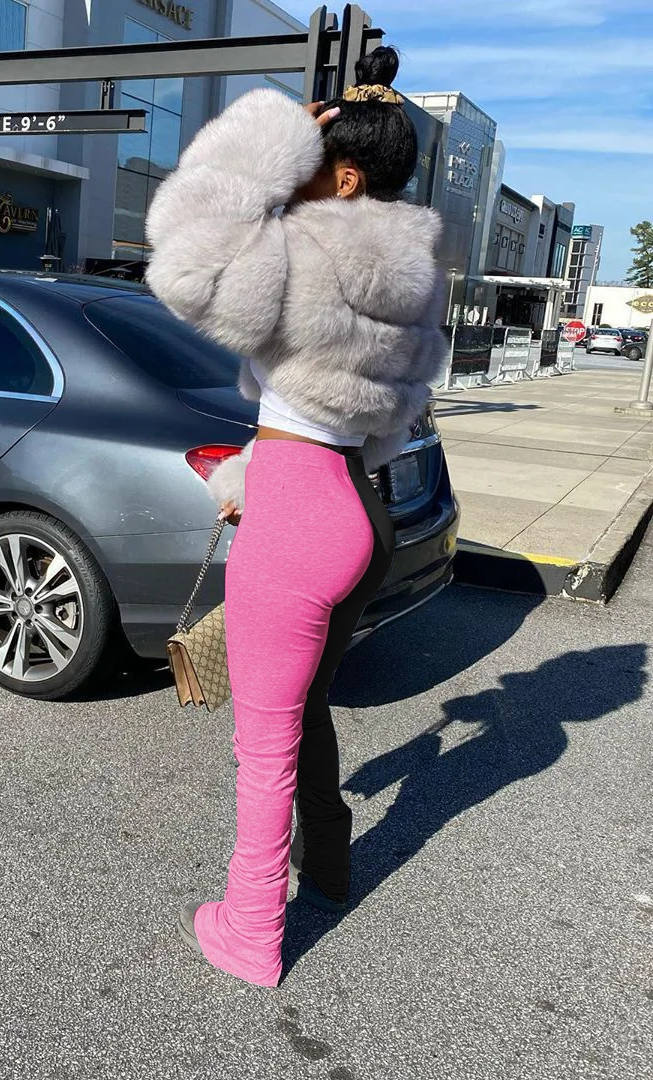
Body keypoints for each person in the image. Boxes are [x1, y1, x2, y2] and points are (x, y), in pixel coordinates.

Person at [145, 46, 448, 988]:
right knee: (305, 707)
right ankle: (331, 866)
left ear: (345, 176)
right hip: (359, 503)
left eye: (311, 164)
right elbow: (382, 411)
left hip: (299, 514)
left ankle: (249, 931)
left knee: (262, 746)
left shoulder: (299, 252)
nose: (296, 179)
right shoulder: (416, 275)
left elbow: (180, 260)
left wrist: (264, 142)